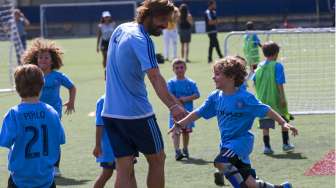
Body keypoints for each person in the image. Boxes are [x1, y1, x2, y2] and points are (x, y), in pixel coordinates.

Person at [169, 57, 298, 188]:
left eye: (217, 74)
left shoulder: (245, 98)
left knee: (221, 162)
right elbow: (199, 112)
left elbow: (266, 109)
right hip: (226, 144)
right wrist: (180, 123)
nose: (213, 77)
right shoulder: (215, 97)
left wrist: (283, 123)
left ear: (231, 77)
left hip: (241, 142)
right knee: (251, 184)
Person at [101, 1, 186, 188]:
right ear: (148, 15)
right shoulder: (143, 39)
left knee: (124, 168)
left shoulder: (121, 28)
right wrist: (173, 105)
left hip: (111, 113)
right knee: (157, 159)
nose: (165, 25)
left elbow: (107, 69)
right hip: (136, 114)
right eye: (162, 20)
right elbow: (155, 77)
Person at [0, 64, 65, 188]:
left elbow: (5, 141)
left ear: (17, 88)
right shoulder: (52, 112)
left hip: (20, 180)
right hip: (46, 179)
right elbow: (60, 139)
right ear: (42, 86)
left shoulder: (13, 114)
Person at [21, 38, 76, 176]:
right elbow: (25, 88)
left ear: (52, 61)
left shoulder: (58, 76)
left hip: (54, 113)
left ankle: (55, 166)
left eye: (46, 58)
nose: (43, 60)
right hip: (35, 111)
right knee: (37, 136)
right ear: (36, 59)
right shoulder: (34, 74)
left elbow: (72, 87)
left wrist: (71, 102)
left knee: (53, 138)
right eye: (40, 58)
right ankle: (38, 164)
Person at [253, 41, 295, 155]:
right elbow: (279, 82)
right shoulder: (277, 65)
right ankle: (286, 144)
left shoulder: (259, 67)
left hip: (262, 99)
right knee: (284, 120)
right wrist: (282, 97)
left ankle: (267, 147)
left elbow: (254, 80)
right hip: (276, 98)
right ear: (276, 53)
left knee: (265, 124)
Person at [92, 95, 136, 188]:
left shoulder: (125, 96)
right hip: (110, 147)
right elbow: (99, 124)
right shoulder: (103, 100)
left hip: (127, 143)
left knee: (130, 173)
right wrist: (97, 145)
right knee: (107, 173)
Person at [167, 59, 200, 160]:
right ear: (173, 69)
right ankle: (177, 151)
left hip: (187, 113)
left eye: (181, 67)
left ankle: (185, 148)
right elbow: (169, 94)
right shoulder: (171, 82)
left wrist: (186, 98)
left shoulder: (191, 82)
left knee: (186, 132)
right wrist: (177, 102)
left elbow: (197, 94)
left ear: (185, 68)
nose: (179, 70)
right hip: (176, 113)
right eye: (176, 68)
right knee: (176, 131)